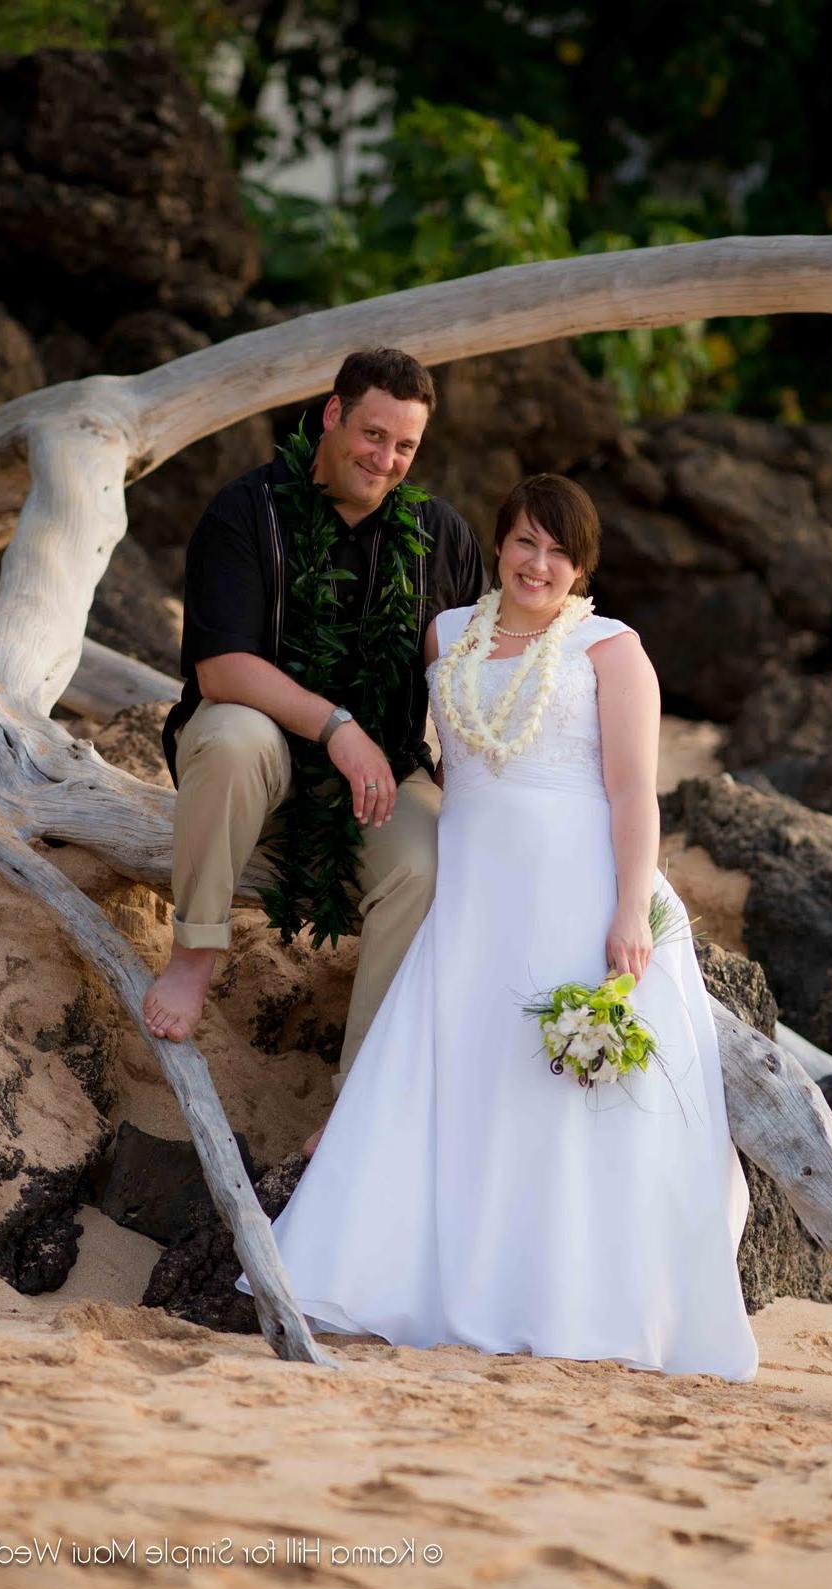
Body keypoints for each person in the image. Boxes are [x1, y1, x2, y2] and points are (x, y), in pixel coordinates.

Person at [236, 472, 759, 1380]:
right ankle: (441, 1281)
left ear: (581, 567)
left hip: (578, 887)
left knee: (564, 1097)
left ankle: (564, 1299)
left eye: (560, 552)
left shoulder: (610, 648)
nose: (539, 564)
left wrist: (629, 908)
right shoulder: (446, 633)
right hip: (477, 896)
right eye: (524, 542)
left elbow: (634, 790)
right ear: (500, 543)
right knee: (468, 1078)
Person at [144, 348, 485, 1158]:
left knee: (429, 863)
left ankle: (361, 1094)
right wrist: (337, 727)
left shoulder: (440, 537)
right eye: (372, 434)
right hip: (256, 770)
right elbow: (220, 668)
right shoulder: (247, 511)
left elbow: (476, 676)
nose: (385, 459)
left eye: (404, 447)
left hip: (376, 786)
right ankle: (195, 952)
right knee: (234, 733)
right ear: (332, 416)